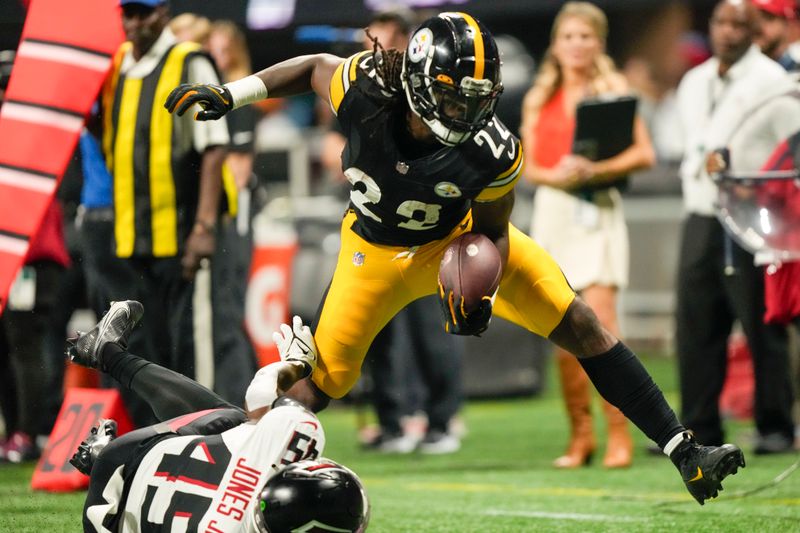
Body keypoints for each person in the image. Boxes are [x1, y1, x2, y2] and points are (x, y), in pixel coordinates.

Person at [166, 11, 745, 504]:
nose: (465, 114)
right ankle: (215, 465)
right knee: (320, 384)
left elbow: (493, 231)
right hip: (375, 252)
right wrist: (234, 93)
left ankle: (685, 451)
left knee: (581, 320)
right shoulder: (368, 90)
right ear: (418, 83)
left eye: (476, 100)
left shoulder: (493, 152)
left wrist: (479, 292)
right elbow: (314, 67)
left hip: (456, 239)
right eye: (451, 97)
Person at [67, 300, 369, 532]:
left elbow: (260, 395)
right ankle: (99, 454)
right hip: (114, 505)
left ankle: (106, 355)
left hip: (127, 458)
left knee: (236, 420)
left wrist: (296, 363)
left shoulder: (295, 434)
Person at [320, 8, 465, 454]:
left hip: (427, 225)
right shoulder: (362, 89)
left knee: (431, 325)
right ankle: (394, 419)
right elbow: (331, 148)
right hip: (375, 224)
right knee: (374, 327)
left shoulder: (431, 91)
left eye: (385, 39)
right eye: (372, 39)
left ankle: (442, 419)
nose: (374, 48)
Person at [520, 2, 656, 469]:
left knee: (603, 324)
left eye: (585, 36)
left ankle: (620, 433)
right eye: (568, 37)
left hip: (598, 211)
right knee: (561, 329)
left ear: (598, 43)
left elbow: (644, 153)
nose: (577, 45)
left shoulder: (612, 89)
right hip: (555, 214)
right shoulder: (540, 96)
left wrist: (593, 170)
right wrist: (558, 176)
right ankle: (581, 436)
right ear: (556, 45)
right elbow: (530, 165)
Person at [675, 0, 798, 454]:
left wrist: (749, 178)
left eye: (738, 24)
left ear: (754, 30)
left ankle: (776, 426)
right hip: (700, 212)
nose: (727, 32)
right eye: (721, 22)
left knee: (760, 323)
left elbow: (793, 152)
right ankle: (699, 427)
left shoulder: (772, 82)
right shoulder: (694, 80)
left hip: (752, 218)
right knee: (696, 324)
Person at [100, 0, 229, 426]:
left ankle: (206, 432)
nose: (135, 23)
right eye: (129, 13)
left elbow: (213, 144)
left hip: (181, 229)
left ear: (164, 13)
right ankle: (153, 440)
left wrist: (204, 226)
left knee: (188, 345)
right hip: (130, 232)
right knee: (143, 347)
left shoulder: (188, 60)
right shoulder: (119, 62)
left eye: (145, 13)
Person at [0, 50, 71, 463]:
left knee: (27, 344)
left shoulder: (36, 133)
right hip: (14, 254)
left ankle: (32, 431)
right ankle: (16, 430)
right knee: (8, 347)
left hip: (33, 258)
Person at [205, 19, 260, 408]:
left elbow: (239, 170)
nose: (218, 56)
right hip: (223, 215)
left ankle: (241, 399)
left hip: (233, 216)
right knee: (222, 314)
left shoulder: (238, 99)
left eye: (225, 49)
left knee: (227, 311)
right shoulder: (215, 98)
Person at [751, 0, 800, 69]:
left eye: (768, 18)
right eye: (754, 17)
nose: (758, 26)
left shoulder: (796, 71)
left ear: (787, 24)